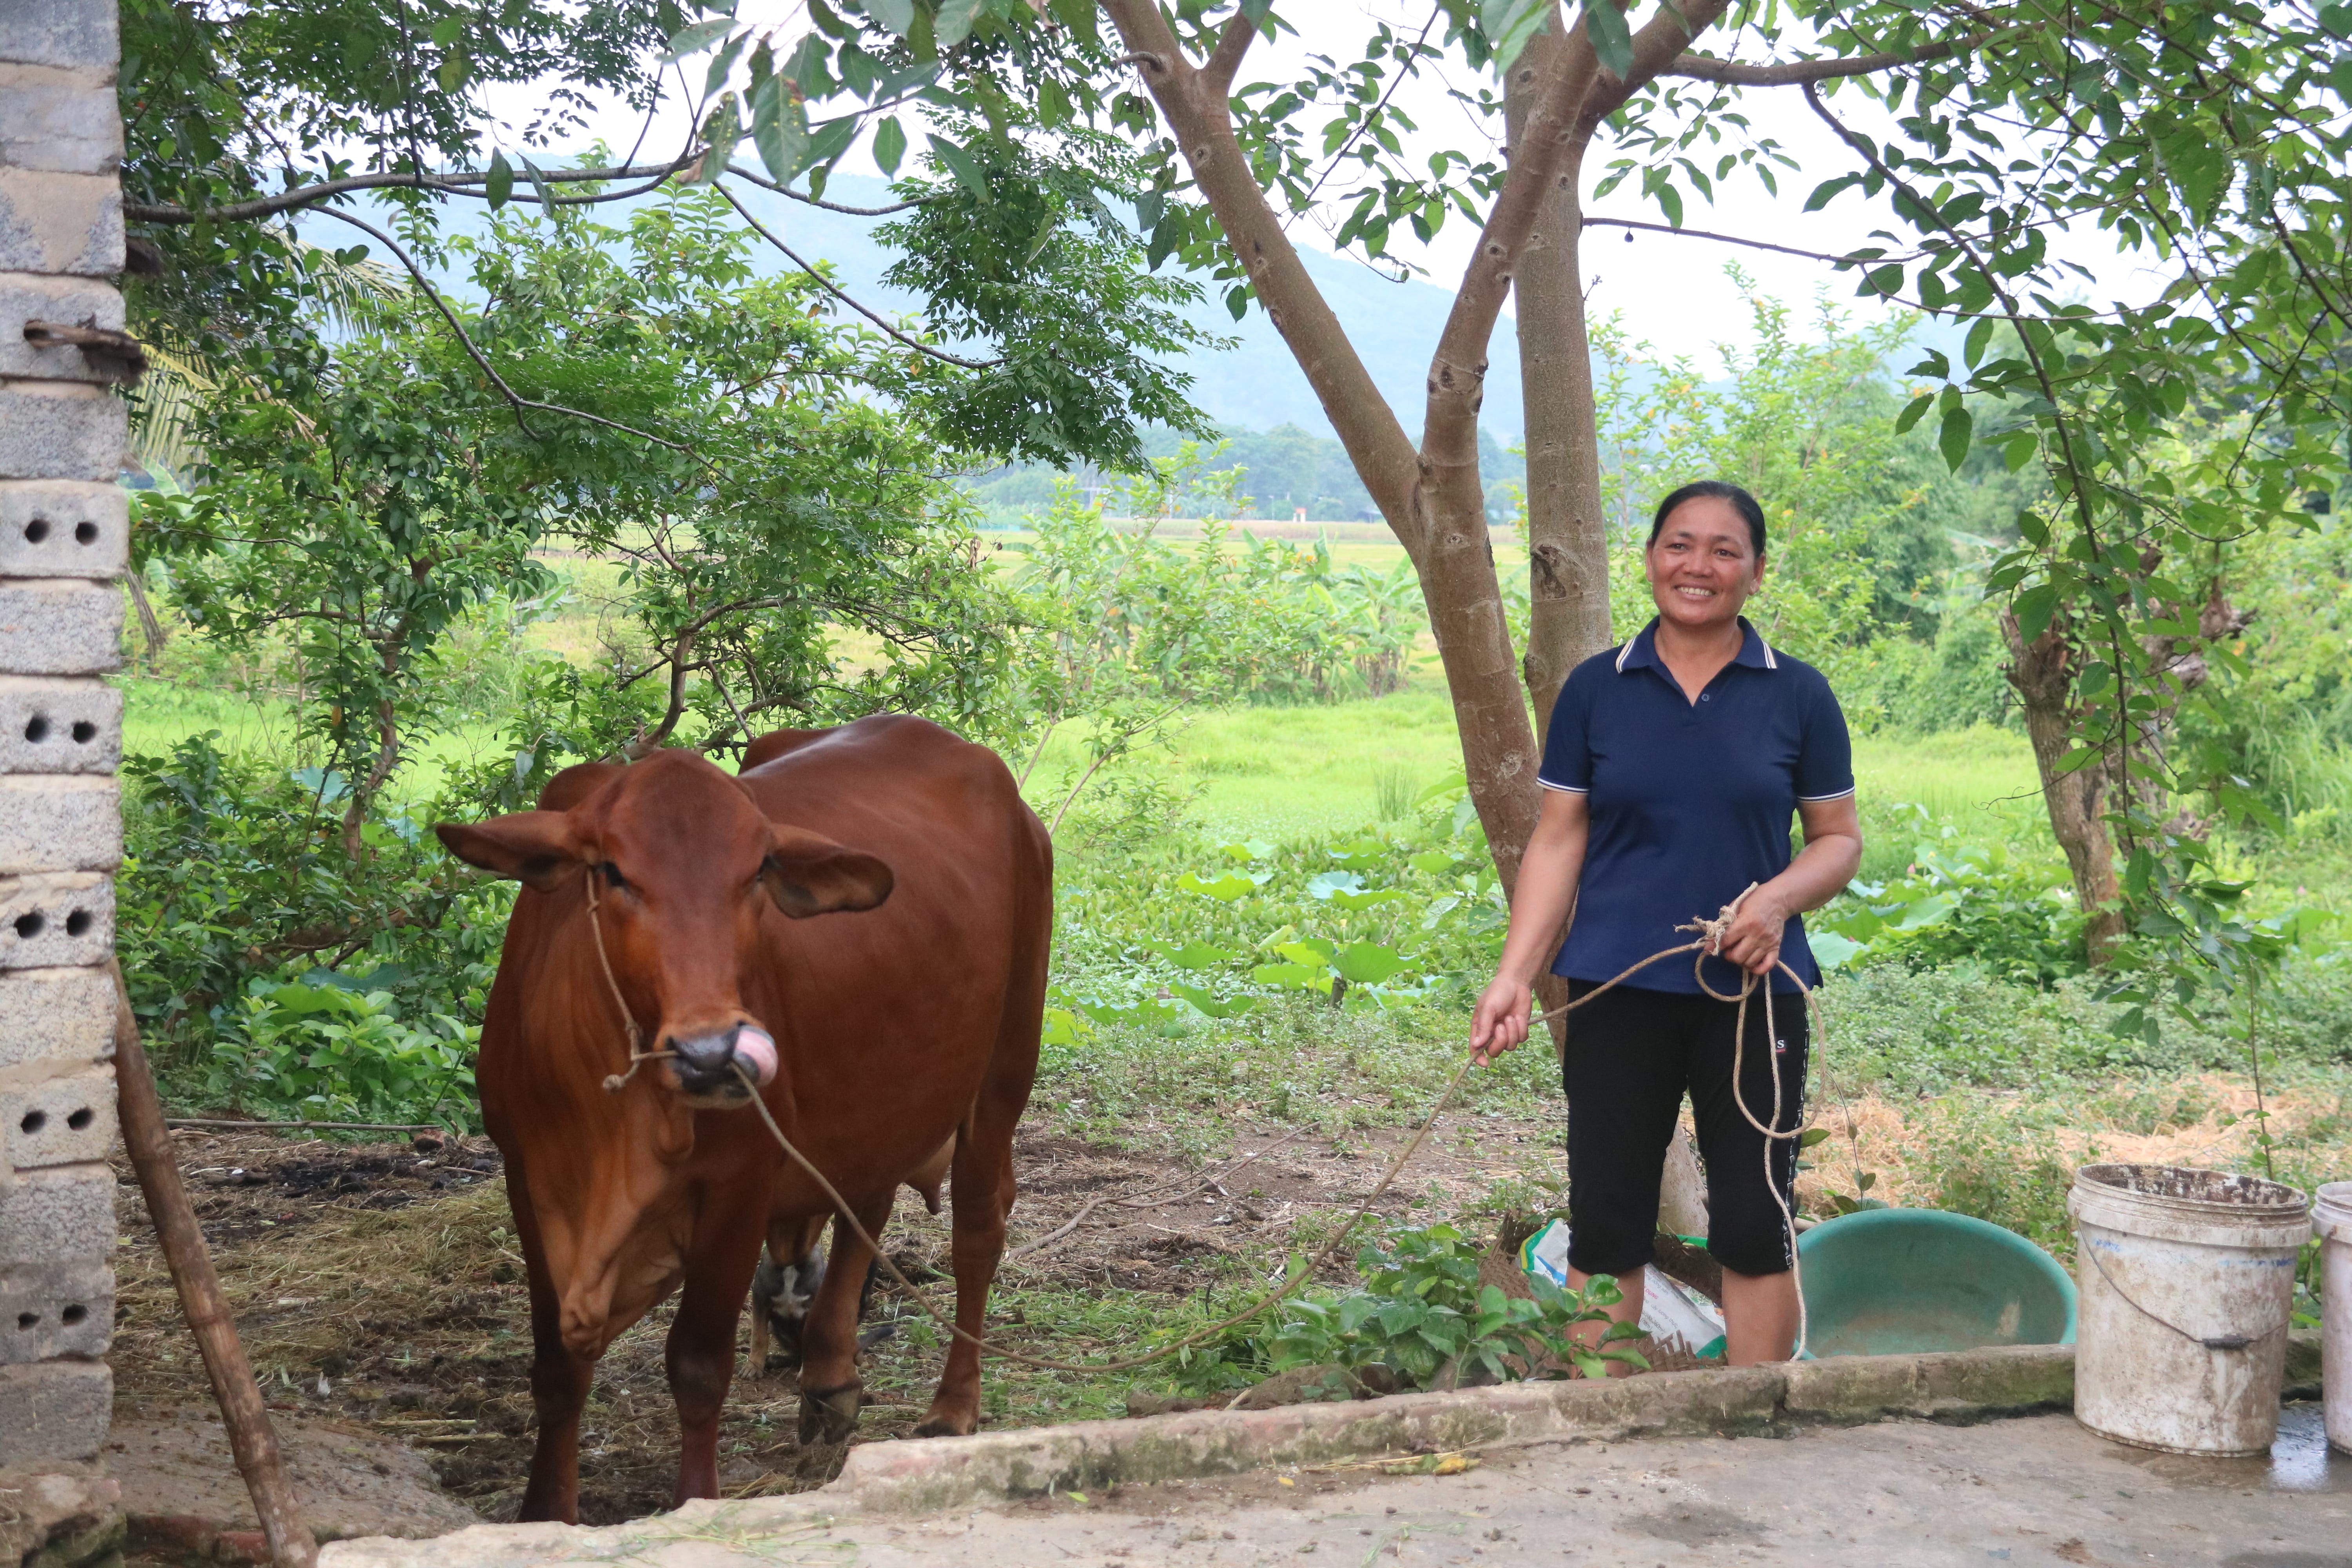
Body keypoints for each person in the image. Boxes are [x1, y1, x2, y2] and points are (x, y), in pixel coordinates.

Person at [1469, 480, 1862, 1367]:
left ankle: (1757, 1415)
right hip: (1618, 987)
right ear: (1650, 559)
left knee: (1757, 1220)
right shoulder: (1595, 690)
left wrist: (1775, 899)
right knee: (1607, 1218)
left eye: (1726, 550)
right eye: (1680, 544)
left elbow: (1837, 841)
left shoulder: (1798, 694)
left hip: (1754, 996)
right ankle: (1608, 1415)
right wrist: (1514, 975)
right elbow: (1558, 841)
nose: (1700, 565)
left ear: (1756, 573)